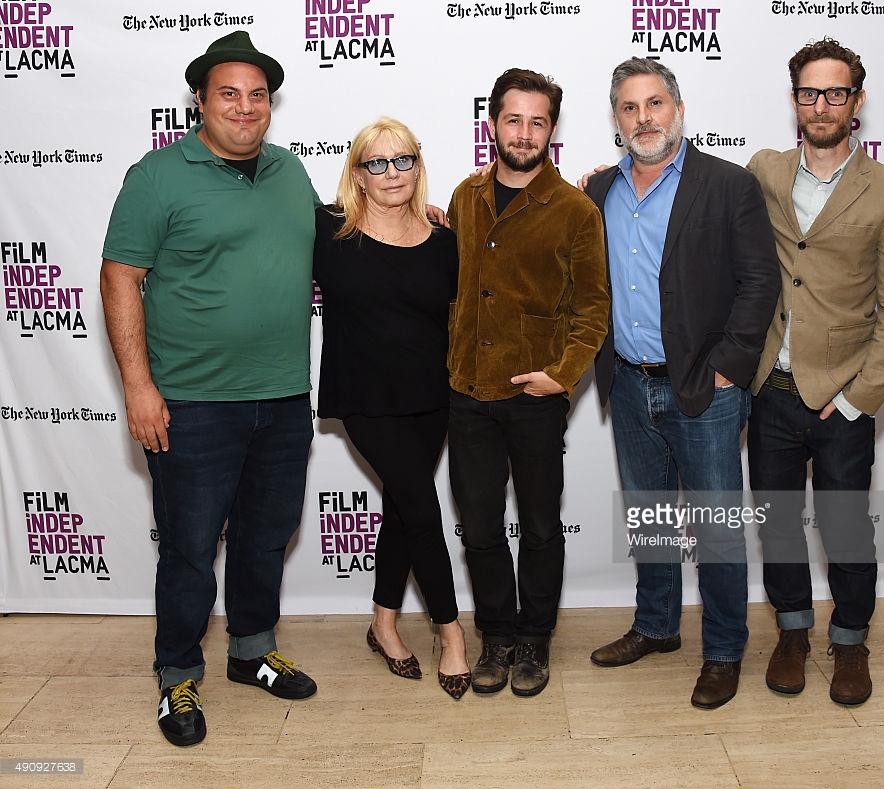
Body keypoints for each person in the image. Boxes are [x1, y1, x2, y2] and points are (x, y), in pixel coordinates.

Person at [100, 31, 319, 747]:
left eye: (258, 94)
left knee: (264, 537)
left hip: (283, 397)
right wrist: (138, 385)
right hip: (191, 403)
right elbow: (120, 276)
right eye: (229, 92)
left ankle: (251, 649)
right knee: (192, 548)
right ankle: (176, 675)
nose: (245, 106)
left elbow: (344, 240)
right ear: (200, 99)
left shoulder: (290, 172)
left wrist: (421, 220)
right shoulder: (158, 175)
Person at [583, 57, 780, 709]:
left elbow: (760, 284)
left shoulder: (726, 184)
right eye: (630, 108)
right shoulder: (599, 192)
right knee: (652, 518)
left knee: (718, 527)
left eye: (655, 103)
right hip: (631, 384)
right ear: (617, 119)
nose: (644, 118)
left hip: (706, 389)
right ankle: (657, 625)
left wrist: (729, 367)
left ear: (679, 108)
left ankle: (724, 650)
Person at [746, 38, 884, 705]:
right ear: (794, 100)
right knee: (779, 524)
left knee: (846, 526)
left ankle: (850, 639)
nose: (821, 106)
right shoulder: (763, 170)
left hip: (843, 395)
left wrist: (859, 399)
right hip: (773, 388)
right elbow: (695, 194)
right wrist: (606, 177)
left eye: (836, 93)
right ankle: (793, 633)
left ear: (857, 100)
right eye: (809, 93)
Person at [447, 68, 609, 697]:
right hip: (467, 393)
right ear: (492, 123)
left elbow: (593, 309)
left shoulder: (574, 209)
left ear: (552, 130)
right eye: (513, 119)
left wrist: (561, 376)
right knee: (482, 527)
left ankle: (535, 640)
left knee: (541, 526)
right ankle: (498, 636)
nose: (524, 132)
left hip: (535, 396)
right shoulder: (465, 197)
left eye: (537, 121)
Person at [313, 117, 471, 700]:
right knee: (422, 507)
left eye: (402, 159)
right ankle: (451, 634)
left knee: (405, 511)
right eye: (376, 163)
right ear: (357, 172)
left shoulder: (447, 241)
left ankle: (383, 622)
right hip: (366, 400)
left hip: (432, 398)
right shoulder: (328, 232)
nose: (391, 173)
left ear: (418, 163)